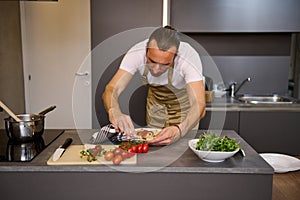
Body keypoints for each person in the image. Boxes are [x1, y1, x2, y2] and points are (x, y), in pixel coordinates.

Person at [102, 26, 206, 145]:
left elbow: (199, 104)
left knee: (183, 152)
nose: (156, 70)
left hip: (185, 110)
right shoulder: (136, 53)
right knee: (154, 149)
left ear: (175, 56)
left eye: (165, 64)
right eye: (152, 61)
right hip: (156, 108)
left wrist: (180, 130)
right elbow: (111, 89)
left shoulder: (188, 57)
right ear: (146, 50)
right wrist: (114, 110)